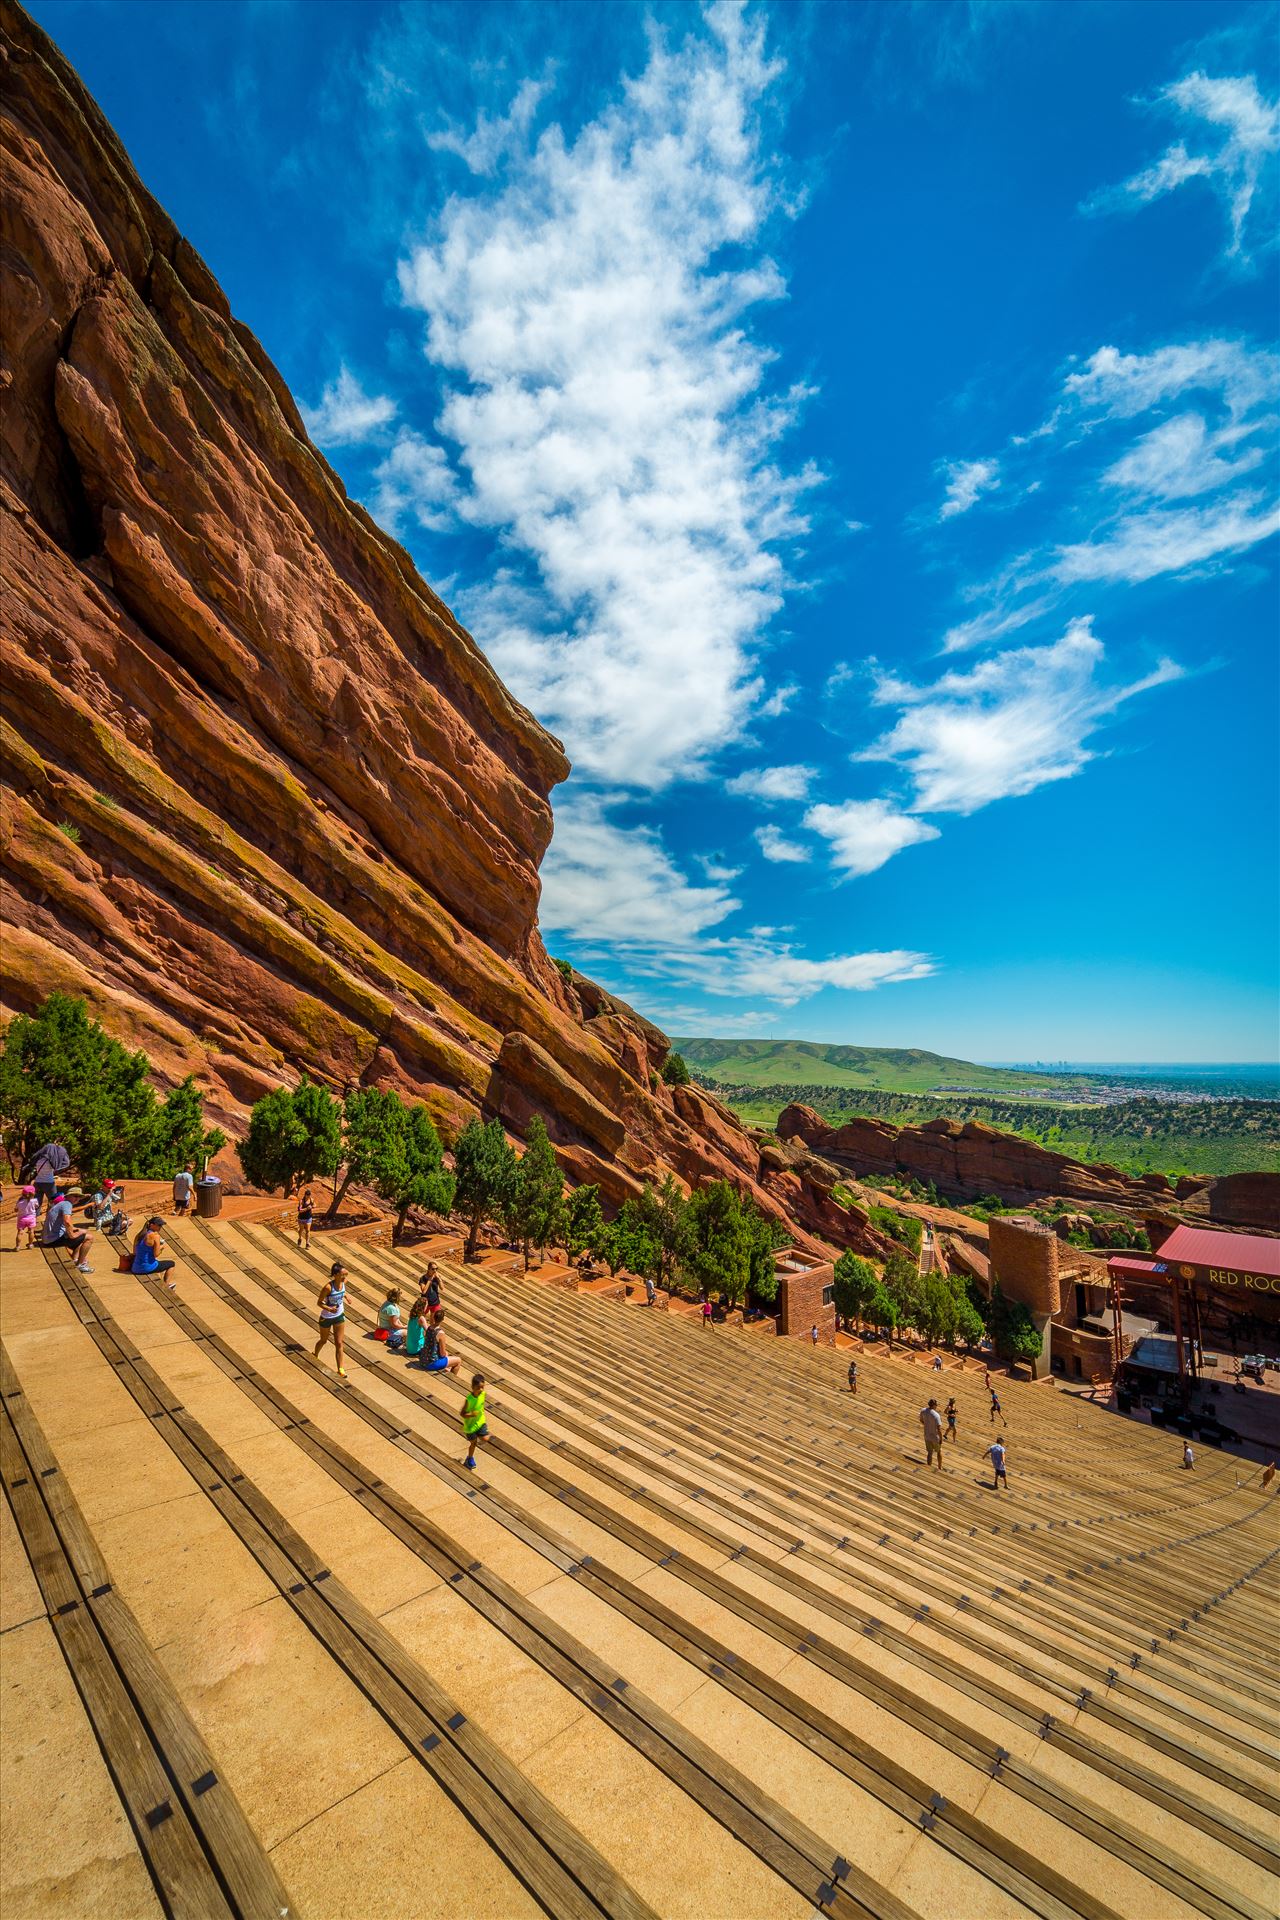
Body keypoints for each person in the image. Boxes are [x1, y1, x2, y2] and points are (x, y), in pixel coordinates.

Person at [42, 1186, 93, 1272]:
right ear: (68, 1196)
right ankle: (80, 1265)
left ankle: (76, 1260)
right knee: (89, 1237)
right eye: (75, 1196)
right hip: (53, 1240)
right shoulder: (67, 1204)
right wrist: (72, 1235)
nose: (77, 1199)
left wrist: (76, 1231)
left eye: (79, 1197)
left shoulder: (61, 1204)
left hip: (48, 1238)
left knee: (82, 1233)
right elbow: (67, 1221)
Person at [314, 1261, 348, 1377]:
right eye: (343, 1275)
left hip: (339, 1316)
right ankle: (315, 1354)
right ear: (336, 1274)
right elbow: (319, 1303)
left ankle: (340, 1369)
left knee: (339, 1343)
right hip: (326, 1317)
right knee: (323, 1340)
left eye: (345, 1275)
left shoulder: (344, 1282)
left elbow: (343, 1292)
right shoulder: (328, 1288)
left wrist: (346, 1296)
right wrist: (329, 1308)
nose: (345, 1277)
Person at [131, 1217, 176, 1291]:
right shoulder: (155, 1236)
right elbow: (156, 1254)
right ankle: (166, 1285)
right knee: (171, 1264)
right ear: (152, 1225)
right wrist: (161, 1247)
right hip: (147, 1268)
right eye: (159, 1225)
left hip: (135, 1268)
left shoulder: (139, 1235)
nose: (160, 1227)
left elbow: (135, 1252)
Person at [30, 1140, 71, 1215]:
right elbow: (66, 1163)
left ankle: (35, 1218)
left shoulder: (38, 1160)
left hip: (37, 1183)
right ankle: (52, 1215)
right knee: (54, 1201)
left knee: (37, 1202)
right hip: (49, 1183)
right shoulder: (52, 1162)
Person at [420, 1310, 462, 1377]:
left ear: (434, 1318)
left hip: (423, 1359)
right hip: (431, 1363)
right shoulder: (440, 1333)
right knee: (458, 1360)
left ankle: (446, 1368)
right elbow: (442, 1354)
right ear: (442, 1319)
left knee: (447, 1355)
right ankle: (452, 1379)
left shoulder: (429, 1328)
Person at [462, 1372, 488, 1469]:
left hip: (480, 1421)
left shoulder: (483, 1394)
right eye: (478, 1388)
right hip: (470, 1426)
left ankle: (484, 1435)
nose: (481, 1390)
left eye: (482, 1387)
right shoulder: (469, 1400)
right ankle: (469, 1458)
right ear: (472, 1387)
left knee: (485, 1439)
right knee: (473, 1443)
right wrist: (471, 1414)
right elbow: (462, 1414)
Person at [919, 1397, 944, 1471]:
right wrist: (941, 1438)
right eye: (936, 1405)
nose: (936, 1406)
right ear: (934, 1405)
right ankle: (939, 1467)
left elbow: (921, 1420)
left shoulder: (923, 1411)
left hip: (927, 1435)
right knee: (939, 1451)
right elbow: (939, 1429)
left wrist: (926, 1425)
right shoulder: (936, 1415)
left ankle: (929, 1466)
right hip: (935, 1437)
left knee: (930, 1452)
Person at [14, 1185, 39, 1250]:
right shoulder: (34, 1200)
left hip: (21, 1219)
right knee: (31, 1231)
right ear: (33, 1193)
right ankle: (30, 1245)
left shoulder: (20, 1201)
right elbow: (37, 1207)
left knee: (20, 1232)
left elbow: (16, 1209)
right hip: (31, 1218)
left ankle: (17, 1246)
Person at [296, 1185, 315, 1251]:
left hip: (308, 1218)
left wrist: (313, 1206)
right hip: (301, 1218)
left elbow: (314, 1204)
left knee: (308, 1230)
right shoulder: (301, 1201)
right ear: (305, 1195)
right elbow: (300, 1210)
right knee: (301, 1230)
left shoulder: (311, 1200)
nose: (308, 1196)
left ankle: (307, 1243)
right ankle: (300, 1238)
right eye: (307, 1195)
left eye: (309, 1195)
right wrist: (307, 1208)